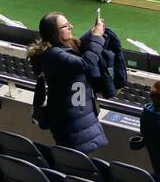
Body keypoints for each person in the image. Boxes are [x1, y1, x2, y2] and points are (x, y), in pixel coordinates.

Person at [28, 12, 108, 154]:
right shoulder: (54, 55)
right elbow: (86, 64)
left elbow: (74, 50)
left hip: (76, 116)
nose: (70, 26)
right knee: (77, 163)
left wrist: (92, 34)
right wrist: (96, 38)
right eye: (65, 26)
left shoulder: (56, 50)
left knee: (78, 161)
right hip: (72, 121)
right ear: (54, 32)